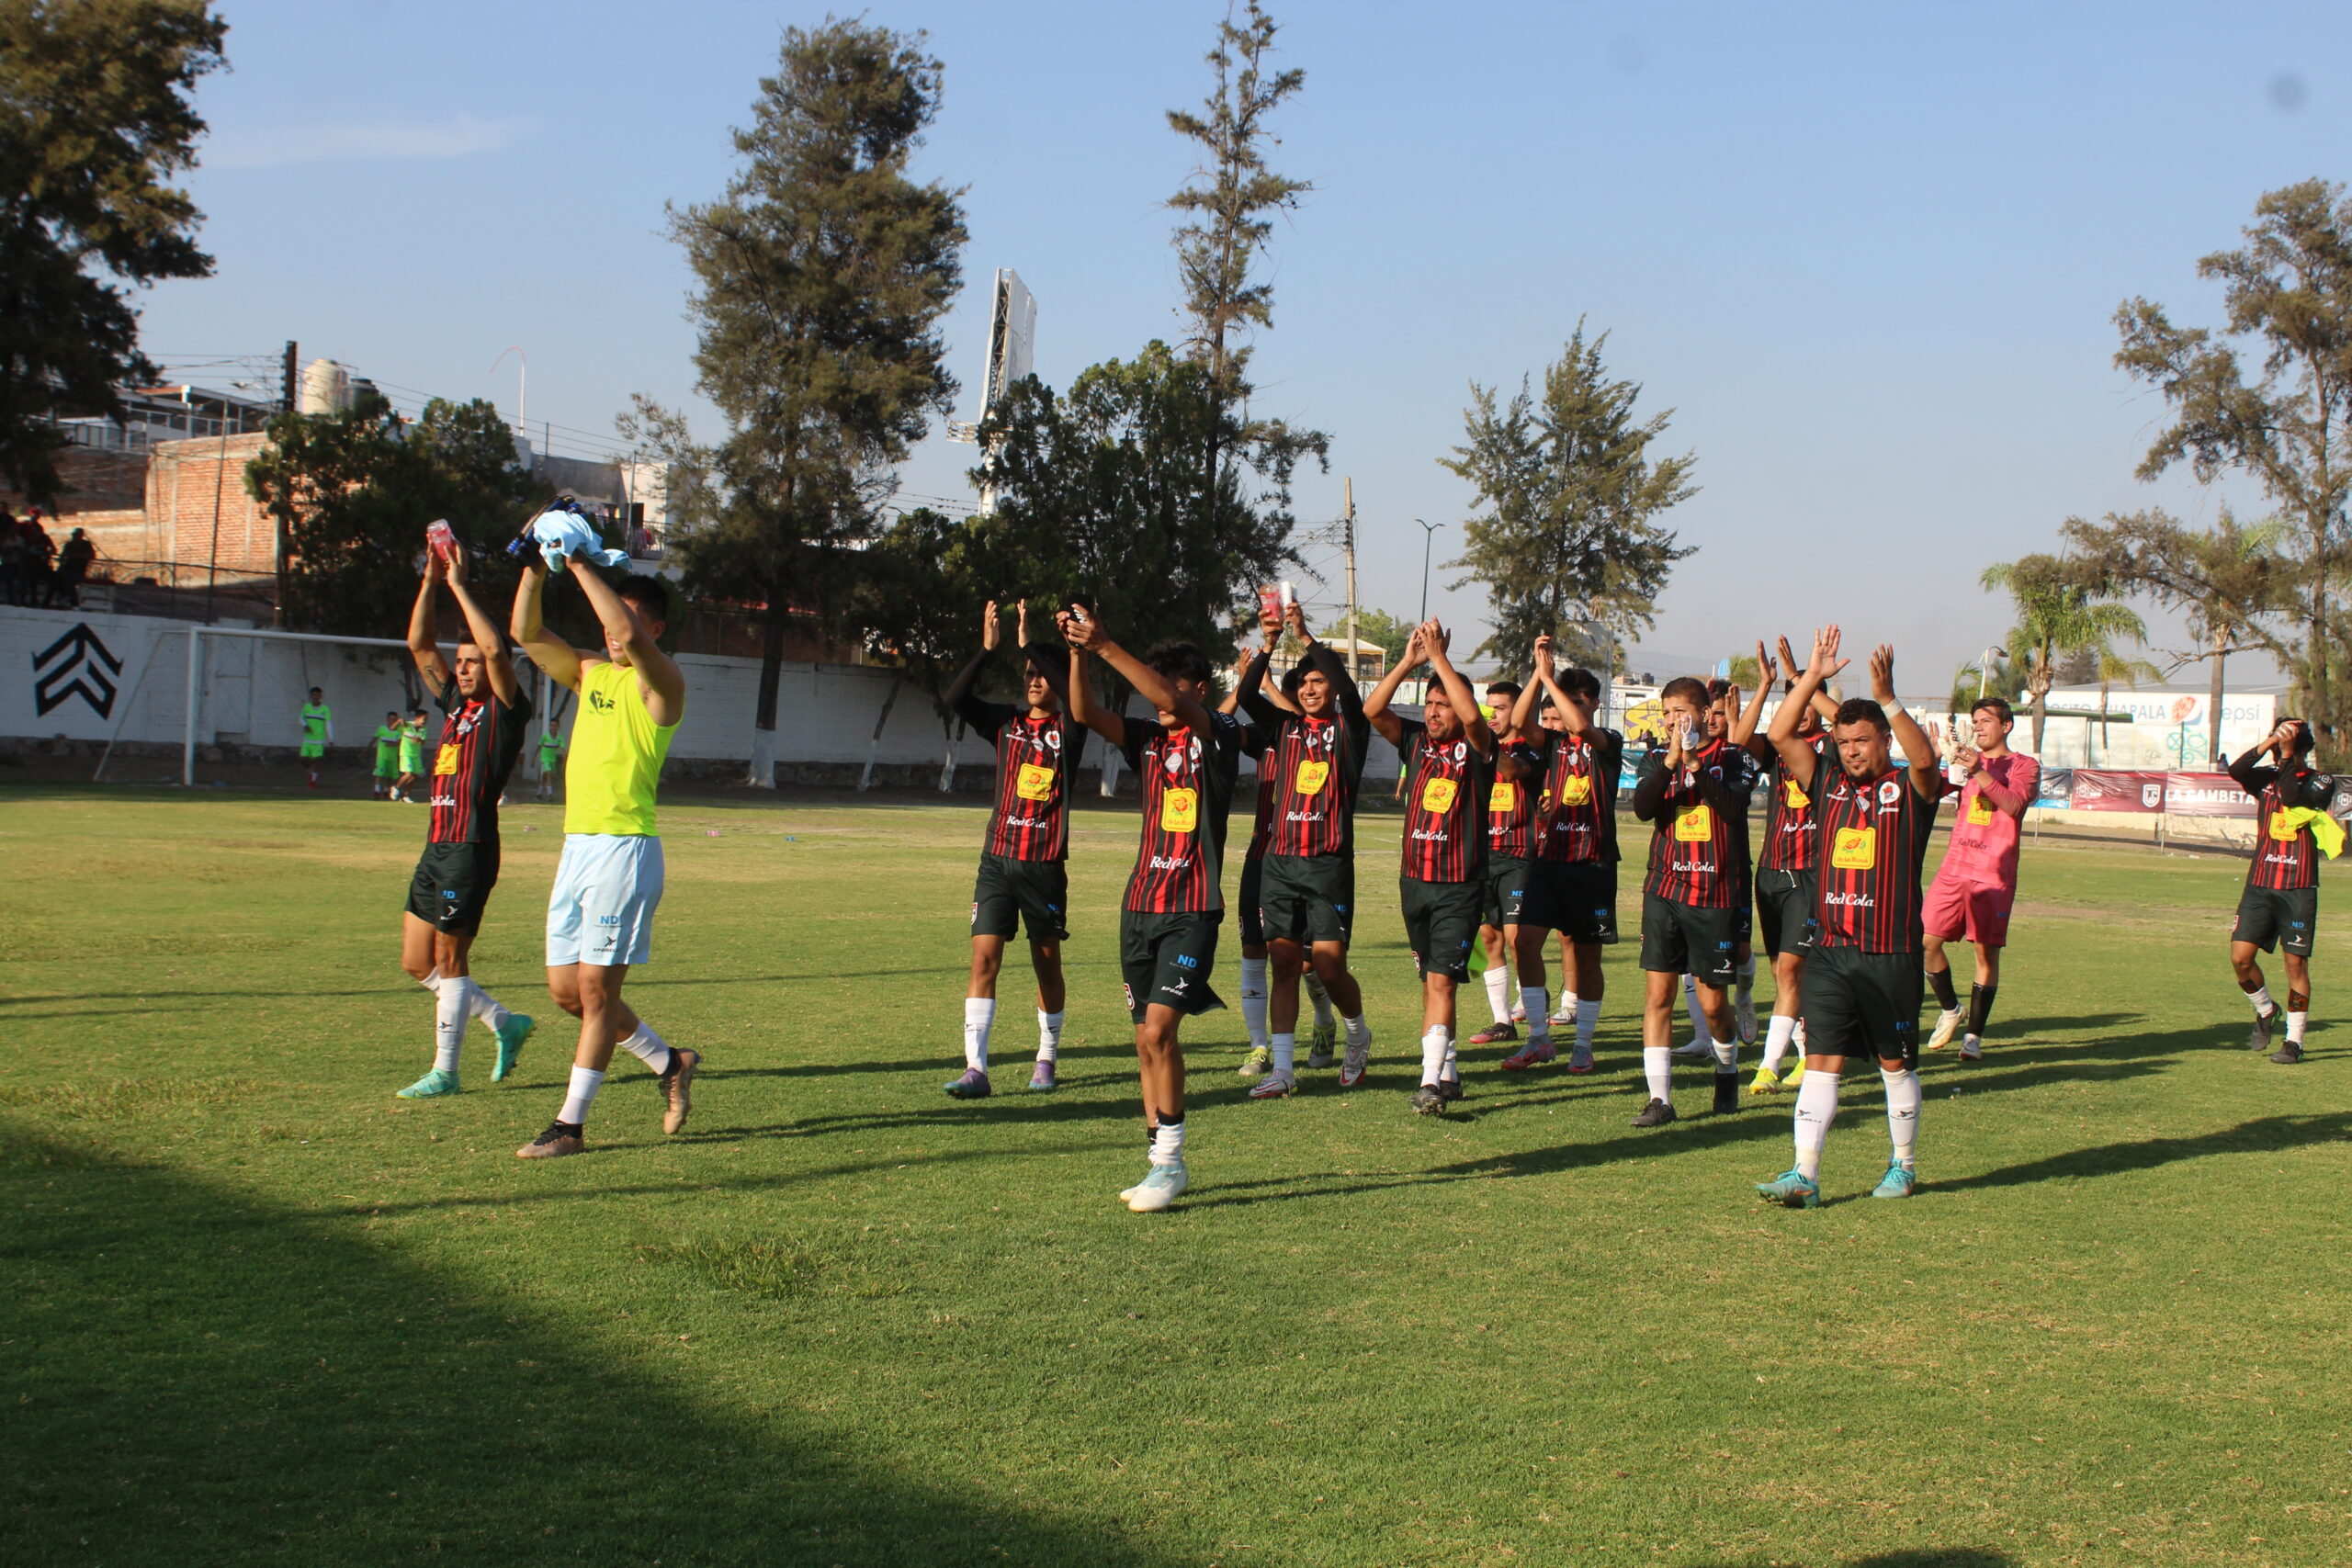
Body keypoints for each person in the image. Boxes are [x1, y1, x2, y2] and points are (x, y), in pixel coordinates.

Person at [1059, 603, 1247, 1213]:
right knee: (1144, 1040)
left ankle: (1171, 1163)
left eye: (1175, 682)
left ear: (1198, 689)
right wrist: (1077, 652)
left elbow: (1177, 700)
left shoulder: (1219, 736)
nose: (1162, 694)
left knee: (1162, 1030)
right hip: (1139, 904)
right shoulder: (1146, 738)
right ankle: (1155, 1158)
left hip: (1194, 908)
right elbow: (1085, 712)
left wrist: (1108, 642)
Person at [510, 545, 695, 1159]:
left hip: (624, 850)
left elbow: (623, 631)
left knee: (595, 991)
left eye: (635, 620)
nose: (616, 632)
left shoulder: (663, 684)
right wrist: (539, 563)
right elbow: (526, 631)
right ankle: (669, 1061)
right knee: (567, 991)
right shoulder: (590, 671)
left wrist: (582, 562)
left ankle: (570, 1126)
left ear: (656, 629)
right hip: (577, 849)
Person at [1754, 628, 1943, 1206]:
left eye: (1863, 741)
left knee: (1893, 1064)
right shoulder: (1827, 781)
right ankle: (1804, 1175)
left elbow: (1927, 760)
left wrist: (1888, 699)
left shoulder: (1909, 789)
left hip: (1890, 955)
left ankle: (1903, 1167)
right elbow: (1781, 732)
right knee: (1820, 1065)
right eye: (1845, 741)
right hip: (1832, 951)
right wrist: (1810, 676)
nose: (1852, 750)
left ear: (1883, 739)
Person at [392, 547, 537, 1099]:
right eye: (461, 660)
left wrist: (458, 583)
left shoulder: (506, 708)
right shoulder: (454, 704)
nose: (463, 666)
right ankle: (503, 1021)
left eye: (471, 661)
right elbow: (418, 645)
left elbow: (499, 648)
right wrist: (429, 579)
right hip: (435, 846)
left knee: (451, 960)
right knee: (415, 962)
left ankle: (446, 1073)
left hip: (470, 848)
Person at [1239, 603, 1377, 1099]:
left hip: (1327, 866)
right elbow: (1247, 693)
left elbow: (1349, 689)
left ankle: (1358, 1033)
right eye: (1304, 683)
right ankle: (1283, 1069)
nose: (1311, 689)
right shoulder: (1284, 728)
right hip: (1280, 865)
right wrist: (1271, 642)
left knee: (1328, 965)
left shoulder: (1350, 732)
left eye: (1319, 682)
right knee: (1282, 966)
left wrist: (1306, 635)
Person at [942, 598, 1075, 1098]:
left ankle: (1046, 1056)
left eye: (1041, 673)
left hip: (1042, 867)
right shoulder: (1006, 723)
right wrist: (987, 649)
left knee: (1047, 965)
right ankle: (976, 1069)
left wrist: (1036, 648)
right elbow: (954, 698)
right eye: (1027, 673)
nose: (1033, 680)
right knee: (983, 961)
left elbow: (1076, 700)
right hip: (996, 860)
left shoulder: (1070, 729)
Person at [1365, 621, 1497, 1113]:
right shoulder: (1416, 742)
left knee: (1441, 980)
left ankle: (1429, 1084)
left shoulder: (1480, 747)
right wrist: (1409, 663)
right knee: (1431, 981)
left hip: (1459, 885)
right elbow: (1371, 709)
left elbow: (1475, 720)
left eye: (1444, 704)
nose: (1435, 712)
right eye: (1431, 703)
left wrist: (1441, 658)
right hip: (1413, 881)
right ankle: (1449, 1069)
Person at [1627, 671, 1762, 1125]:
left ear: (1704, 714)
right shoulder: (1655, 759)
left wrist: (1697, 766)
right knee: (1658, 994)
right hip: (1664, 890)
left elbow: (1731, 808)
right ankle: (1660, 1100)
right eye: (1665, 712)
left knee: (1711, 1005)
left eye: (1680, 712)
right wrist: (1670, 763)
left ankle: (1727, 1071)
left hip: (1716, 895)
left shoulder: (1735, 757)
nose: (1671, 720)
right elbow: (1643, 808)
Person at [1499, 639, 1624, 1074]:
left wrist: (1552, 681)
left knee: (1588, 958)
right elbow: (1517, 721)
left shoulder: (1607, 740)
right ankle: (1538, 1038)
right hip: (1547, 864)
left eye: (1578, 702)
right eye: (1564, 701)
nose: (1568, 708)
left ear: (1594, 704)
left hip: (1592, 866)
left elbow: (1583, 729)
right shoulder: (1552, 744)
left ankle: (1584, 1045)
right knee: (1524, 943)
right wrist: (1538, 673)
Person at [1922, 695, 2041, 1062]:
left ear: (2006, 725)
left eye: (1986, 720)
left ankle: (1973, 1035)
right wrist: (1933, 760)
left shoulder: (2025, 764)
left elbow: (2014, 805)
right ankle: (1950, 1009)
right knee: (1923, 942)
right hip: (1955, 866)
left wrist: (1978, 770)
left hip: (1993, 873)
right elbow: (1929, 792)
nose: (1978, 726)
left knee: (1985, 955)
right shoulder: (1965, 761)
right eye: (1975, 720)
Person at [1747, 637, 1838, 1093]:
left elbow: (1845, 719)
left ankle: (1769, 1063)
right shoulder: (1779, 748)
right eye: (1793, 699)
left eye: (1806, 701)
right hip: (1770, 873)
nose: (1800, 708)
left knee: (1790, 970)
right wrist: (1769, 685)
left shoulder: (1833, 747)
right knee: (1785, 971)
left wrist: (1806, 679)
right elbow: (1741, 741)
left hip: (1811, 874)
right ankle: (1806, 1054)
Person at [2226, 717, 2339, 1065]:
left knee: (2296, 965)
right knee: (2241, 960)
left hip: (2298, 888)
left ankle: (2294, 1041)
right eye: (2278, 743)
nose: (2279, 749)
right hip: (2260, 884)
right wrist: (2269, 741)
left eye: (2286, 743)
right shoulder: (2266, 778)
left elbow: (2292, 797)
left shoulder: (2321, 782)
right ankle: (2265, 1009)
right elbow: (2237, 769)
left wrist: (2289, 756)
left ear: (2303, 747)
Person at [1670, 675, 1771, 1061]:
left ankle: (1744, 998)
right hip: (1684, 877)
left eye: (1718, 712)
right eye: (1706, 711)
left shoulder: (1736, 756)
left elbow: (1732, 805)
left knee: (1739, 951)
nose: (1711, 719)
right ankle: (1703, 1036)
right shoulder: (1674, 752)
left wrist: (1760, 691)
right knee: (1689, 963)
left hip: (1727, 875)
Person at [1467, 678, 1535, 1047]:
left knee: (1517, 938)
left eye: (1501, 707)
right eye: (1488, 707)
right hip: (1482, 854)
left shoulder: (1531, 747)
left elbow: (1509, 771)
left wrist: (1485, 743)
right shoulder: (1477, 749)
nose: (1492, 714)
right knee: (1486, 937)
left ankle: (1535, 1019)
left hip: (1518, 854)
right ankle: (1502, 1021)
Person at [298, 687, 334, 789]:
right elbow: (301, 718)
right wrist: (305, 725)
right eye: (314, 695)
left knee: (317, 760)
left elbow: (328, 724)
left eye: (318, 695)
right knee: (303, 759)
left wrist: (331, 739)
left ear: (320, 696)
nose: (315, 697)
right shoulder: (307, 707)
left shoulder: (325, 709)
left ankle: (313, 780)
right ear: (311, 696)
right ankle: (311, 772)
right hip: (307, 739)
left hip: (319, 739)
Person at [51, 527, 93, 607]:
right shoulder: (69, 544)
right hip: (68, 567)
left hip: (79, 568)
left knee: (71, 581)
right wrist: (61, 559)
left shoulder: (86, 544)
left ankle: (73, 603)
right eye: (74, 535)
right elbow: (63, 555)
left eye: (77, 535)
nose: (75, 537)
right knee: (56, 578)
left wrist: (80, 556)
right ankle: (61, 596)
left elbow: (91, 555)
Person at [395, 706, 427, 801]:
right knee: (408, 774)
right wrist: (400, 721)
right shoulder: (408, 725)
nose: (425, 721)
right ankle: (396, 788)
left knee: (415, 775)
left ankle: (405, 796)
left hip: (416, 755)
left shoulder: (424, 729)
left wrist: (419, 740)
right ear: (417, 718)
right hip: (406, 753)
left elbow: (423, 741)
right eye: (424, 719)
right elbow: (397, 727)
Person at [371, 711, 403, 800]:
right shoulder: (382, 729)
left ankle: (386, 790)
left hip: (392, 757)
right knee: (379, 773)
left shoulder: (400, 730)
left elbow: (400, 742)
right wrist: (368, 747)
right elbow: (375, 737)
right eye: (390, 719)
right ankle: (376, 791)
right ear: (387, 719)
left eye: (394, 720)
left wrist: (393, 744)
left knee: (390, 775)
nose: (392, 721)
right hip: (382, 756)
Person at [535, 724, 565, 803]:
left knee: (545, 776)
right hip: (545, 759)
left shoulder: (559, 738)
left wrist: (565, 761)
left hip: (553, 760)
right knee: (549, 775)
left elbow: (563, 750)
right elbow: (539, 747)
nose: (553, 727)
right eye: (551, 726)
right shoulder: (545, 737)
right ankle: (550, 794)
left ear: (558, 727)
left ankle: (539, 794)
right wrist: (533, 758)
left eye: (555, 726)